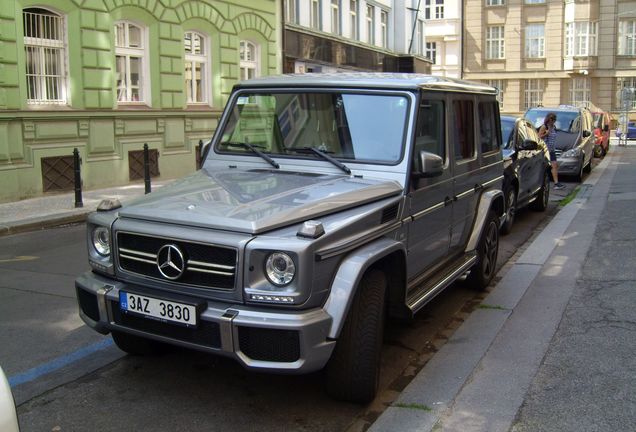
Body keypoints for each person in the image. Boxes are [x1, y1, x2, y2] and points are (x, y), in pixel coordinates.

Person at [538, 112, 565, 190]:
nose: (552, 121)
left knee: (555, 165)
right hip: (545, 150)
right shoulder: (544, 127)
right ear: (548, 119)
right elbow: (539, 137)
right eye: (551, 120)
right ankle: (541, 183)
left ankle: (556, 183)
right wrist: (547, 133)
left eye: (554, 120)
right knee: (544, 167)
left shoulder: (554, 127)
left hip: (552, 150)